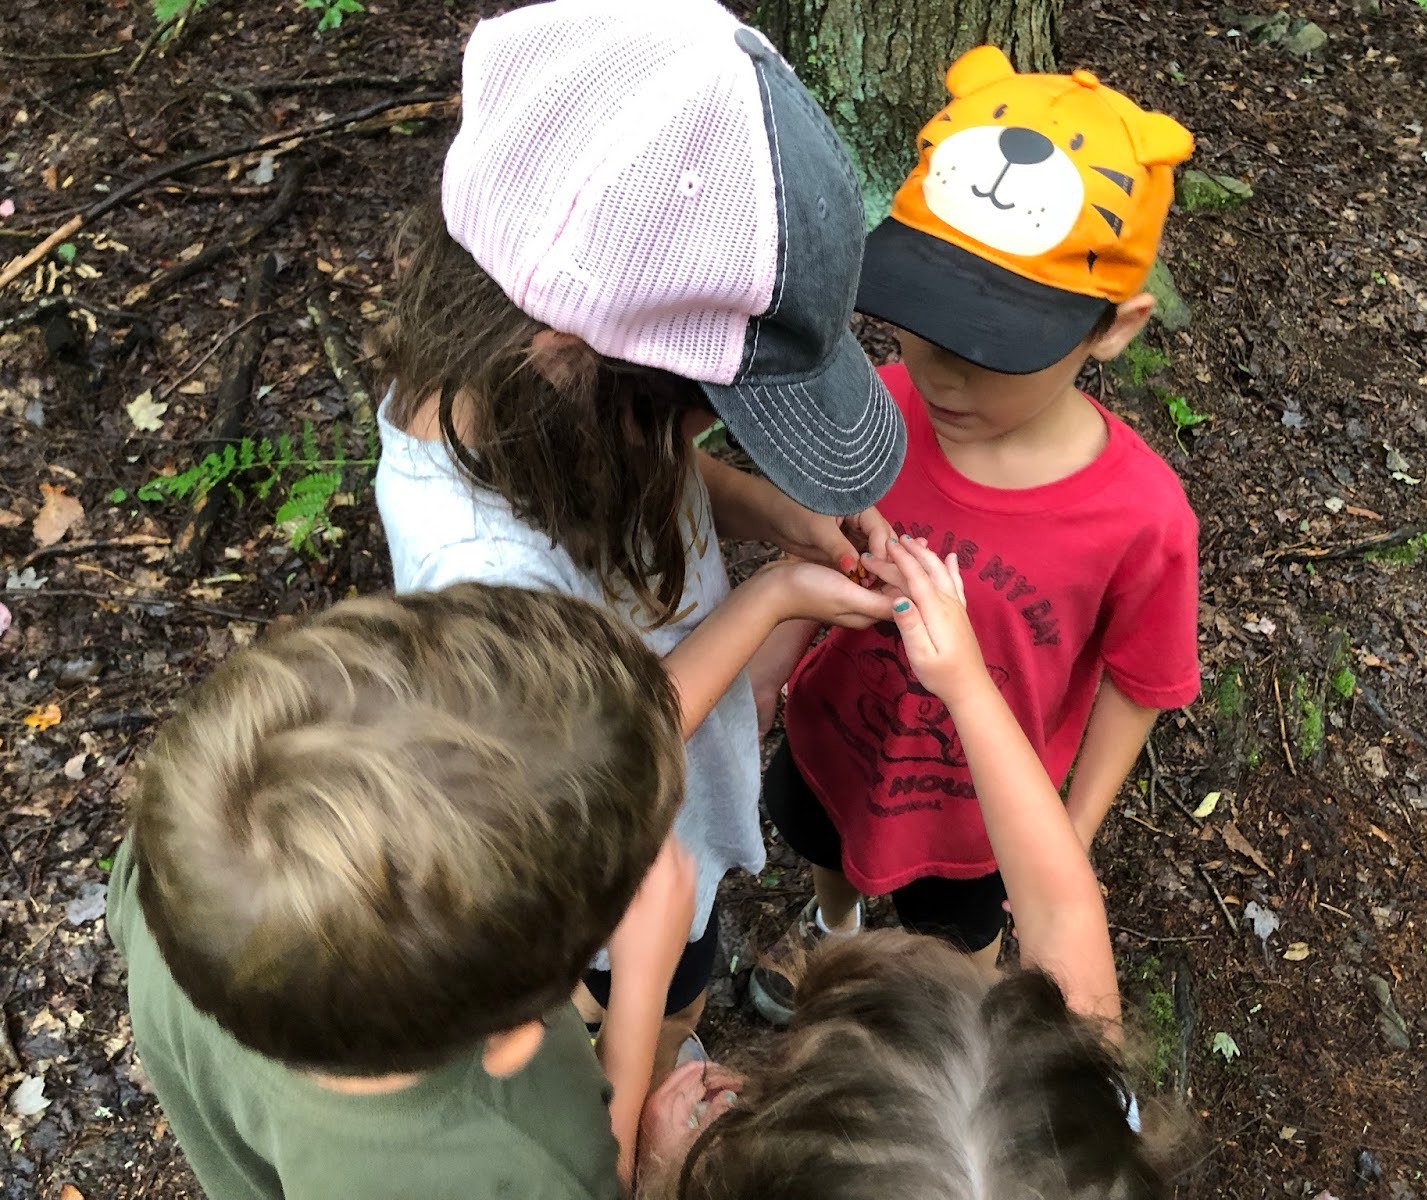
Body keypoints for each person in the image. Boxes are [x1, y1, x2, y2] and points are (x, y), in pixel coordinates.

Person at [370, 0, 906, 1154]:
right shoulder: (479, 568)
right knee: (656, 1000)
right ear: (571, 352)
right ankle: (646, 1118)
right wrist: (770, 599)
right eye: (698, 406)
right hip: (612, 881)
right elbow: (592, 748)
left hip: (673, 808)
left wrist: (775, 508)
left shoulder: (532, 413)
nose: (694, 435)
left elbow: (646, 470)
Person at [750, 48, 1200, 1024]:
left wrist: (1064, 836)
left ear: (1113, 329)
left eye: (992, 351)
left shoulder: (1140, 516)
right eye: (919, 321)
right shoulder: (883, 404)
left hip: (980, 815)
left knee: (956, 944)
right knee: (824, 844)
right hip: (839, 736)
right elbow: (815, 540)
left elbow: (1142, 680)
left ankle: (936, 1011)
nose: (943, 377)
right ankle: (830, 934)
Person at [108, 584, 697, 1200]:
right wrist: (639, 994)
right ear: (520, 1032)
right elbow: (606, 1181)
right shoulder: (527, 1155)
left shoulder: (183, 871)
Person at [639, 541, 1170, 1200]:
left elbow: (1064, 911)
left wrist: (667, 1168)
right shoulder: (1086, 1129)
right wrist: (966, 683)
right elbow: (1064, 910)